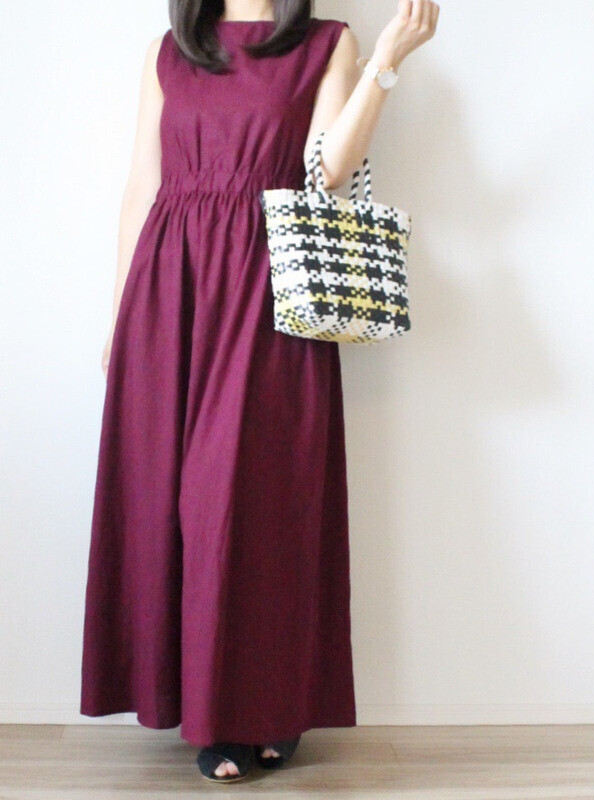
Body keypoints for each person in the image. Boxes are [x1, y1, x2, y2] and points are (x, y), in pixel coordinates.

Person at [79, 0, 438, 783]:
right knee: (168, 504)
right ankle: (207, 707)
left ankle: (259, 710)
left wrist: (385, 62)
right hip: (169, 291)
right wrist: (119, 315)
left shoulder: (326, 44)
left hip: (266, 289)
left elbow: (327, 172)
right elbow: (142, 186)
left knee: (252, 503)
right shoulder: (168, 53)